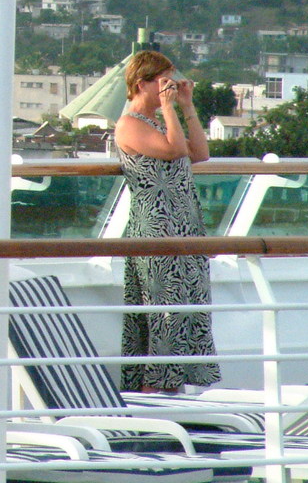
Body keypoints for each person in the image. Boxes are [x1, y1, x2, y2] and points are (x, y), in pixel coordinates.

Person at [114, 49, 221, 393]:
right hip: (156, 230)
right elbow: (174, 150)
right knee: (164, 316)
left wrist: (187, 106)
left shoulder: (160, 122)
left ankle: (174, 392)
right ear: (142, 83)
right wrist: (169, 107)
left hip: (185, 226)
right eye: (164, 80)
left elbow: (200, 153)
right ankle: (153, 394)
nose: (171, 86)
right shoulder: (130, 123)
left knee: (187, 313)